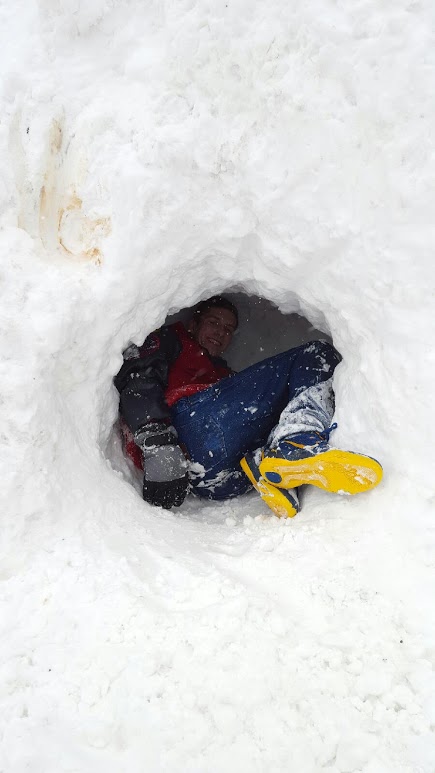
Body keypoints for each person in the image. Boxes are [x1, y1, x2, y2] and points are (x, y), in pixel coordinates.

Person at [114, 296, 382, 517]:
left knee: (283, 406)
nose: (221, 332)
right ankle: (296, 444)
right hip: (189, 428)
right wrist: (158, 440)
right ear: (193, 323)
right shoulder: (173, 340)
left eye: (228, 329)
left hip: (213, 482)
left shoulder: (223, 375)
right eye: (213, 322)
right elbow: (139, 378)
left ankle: (266, 463)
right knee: (317, 355)